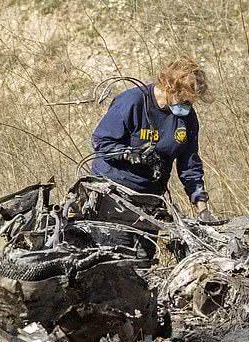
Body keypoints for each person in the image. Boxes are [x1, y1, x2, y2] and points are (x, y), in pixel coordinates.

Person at [91, 56, 219, 224]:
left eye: (191, 102)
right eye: (184, 100)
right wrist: (128, 154)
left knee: (144, 251)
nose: (187, 106)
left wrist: (203, 209)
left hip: (151, 197)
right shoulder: (132, 102)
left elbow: (190, 165)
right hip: (113, 192)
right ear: (169, 87)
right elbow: (100, 142)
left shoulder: (187, 117)